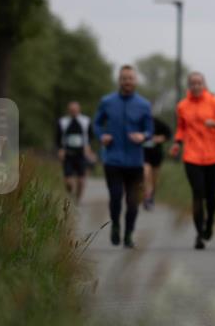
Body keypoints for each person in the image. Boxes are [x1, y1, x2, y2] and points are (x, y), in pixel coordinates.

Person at [169, 72, 215, 249]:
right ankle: (199, 234)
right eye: (192, 83)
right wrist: (177, 143)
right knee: (197, 193)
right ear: (188, 86)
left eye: (199, 83)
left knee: (211, 195)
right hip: (191, 156)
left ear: (204, 85)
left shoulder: (214, 102)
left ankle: (209, 223)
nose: (196, 86)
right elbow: (181, 128)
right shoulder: (182, 106)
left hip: (214, 155)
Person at [93, 65, 154, 249]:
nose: (127, 81)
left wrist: (143, 136)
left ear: (135, 81)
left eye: (130, 78)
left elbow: (149, 130)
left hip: (135, 161)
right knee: (116, 196)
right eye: (124, 78)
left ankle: (128, 234)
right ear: (119, 81)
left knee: (133, 202)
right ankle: (116, 226)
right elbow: (97, 124)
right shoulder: (107, 101)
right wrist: (102, 136)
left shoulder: (144, 104)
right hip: (113, 159)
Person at [56, 101, 96, 203]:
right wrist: (60, 149)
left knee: (81, 180)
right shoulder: (63, 121)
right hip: (68, 154)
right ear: (68, 110)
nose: (73, 111)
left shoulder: (85, 121)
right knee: (68, 181)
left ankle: (77, 199)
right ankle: (70, 193)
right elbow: (58, 137)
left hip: (81, 154)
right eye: (71, 110)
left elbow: (91, 136)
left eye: (75, 109)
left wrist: (89, 147)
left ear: (79, 110)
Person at [142, 117, 172, 211]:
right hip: (143, 154)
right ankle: (147, 197)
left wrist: (160, 138)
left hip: (156, 154)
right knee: (146, 174)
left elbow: (168, 133)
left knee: (154, 179)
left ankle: (151, 195)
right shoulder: (138, 123)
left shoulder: (157, 123)